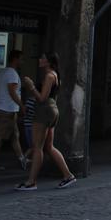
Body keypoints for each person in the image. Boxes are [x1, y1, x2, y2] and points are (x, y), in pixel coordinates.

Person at [16, 52, 76, 190]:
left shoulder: (49, 76)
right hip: (51, 109)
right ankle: (68, 175)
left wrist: (31, 86)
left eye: (43, 58)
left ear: (49, 62)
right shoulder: (54, 75)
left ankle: (31, 182)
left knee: (38, 147)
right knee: (48, 146)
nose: (40, 59)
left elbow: (42, 98)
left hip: (44, 111)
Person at [0, 50, 27, 171]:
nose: (22, 61)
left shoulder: (2, 72)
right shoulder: (12, 74)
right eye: (21, 59)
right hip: (7, 109)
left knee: (14, 135)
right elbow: (12, 92)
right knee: (0, 136)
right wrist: (22, 105)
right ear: (15, 59)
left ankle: (21, 158)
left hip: (2, 107)